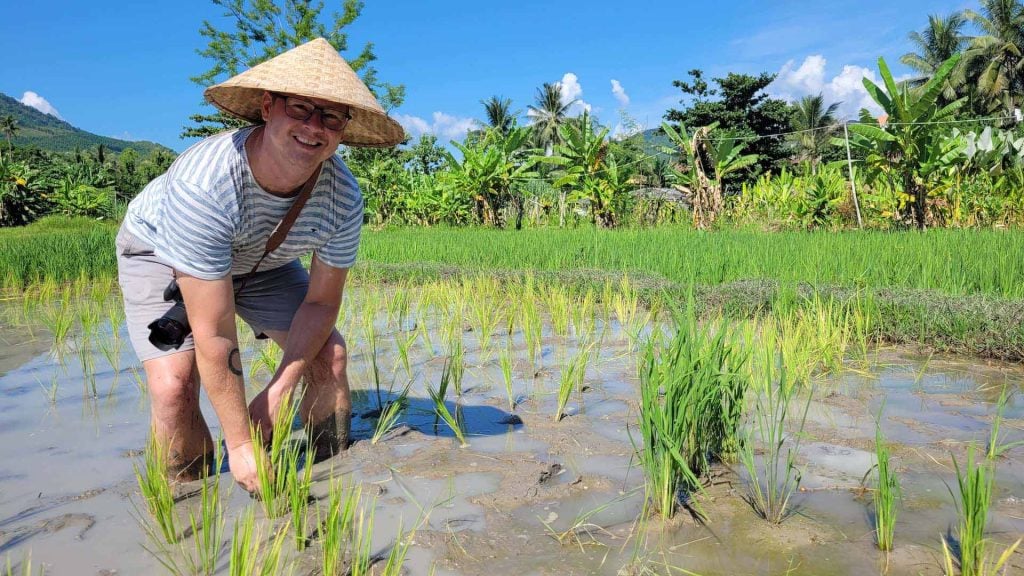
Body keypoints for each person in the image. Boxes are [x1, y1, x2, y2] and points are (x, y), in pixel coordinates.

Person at [116, 38, 404, 493]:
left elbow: (322, 301)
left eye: (331, 116)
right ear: (267, 107)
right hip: (159, 252)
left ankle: (333, 475)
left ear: (344, 128)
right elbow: (214, 331)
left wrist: (276, 393)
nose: (314, 127)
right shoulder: (205, 184)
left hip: (261, 261)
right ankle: (189, 497)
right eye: (301, 108)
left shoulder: (343, 197)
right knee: (174, 387)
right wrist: (242, 441)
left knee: (328, 357)